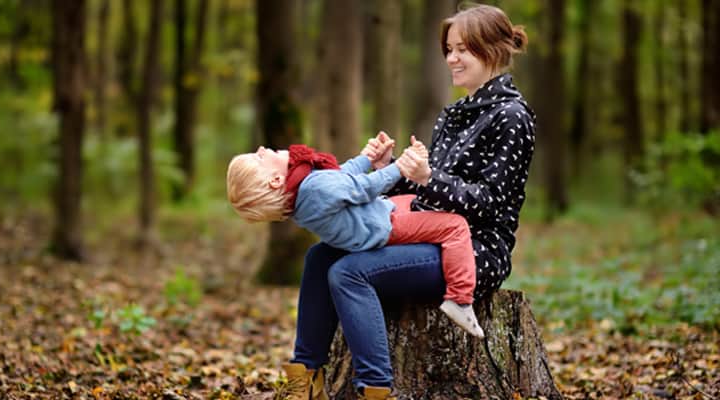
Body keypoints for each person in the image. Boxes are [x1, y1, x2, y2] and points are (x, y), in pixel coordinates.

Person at [265, 3, 536, 399]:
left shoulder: (511, 116)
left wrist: (428, 178)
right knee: (320, 257)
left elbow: (492, 203)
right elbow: (426, 187)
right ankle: (304, 380)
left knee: (349, 272)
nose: (452, 58)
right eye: (449, 49)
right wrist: (391, 170)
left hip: (472, 250)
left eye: (463, 49)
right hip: (424, 228)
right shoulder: (453, 114)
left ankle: (375, 389)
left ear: (493, 49)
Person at [226, 138, 484, 337]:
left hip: (379, 216)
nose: (261, 148)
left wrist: (367, 158)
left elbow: (341, 178)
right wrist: (400, 167)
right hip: (384, 226)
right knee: (455, 225)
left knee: (415, 201)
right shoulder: (314, 188)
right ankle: (460, 299)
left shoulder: (305, 188)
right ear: (274, 180)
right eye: (258, 158)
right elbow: (364, 187)